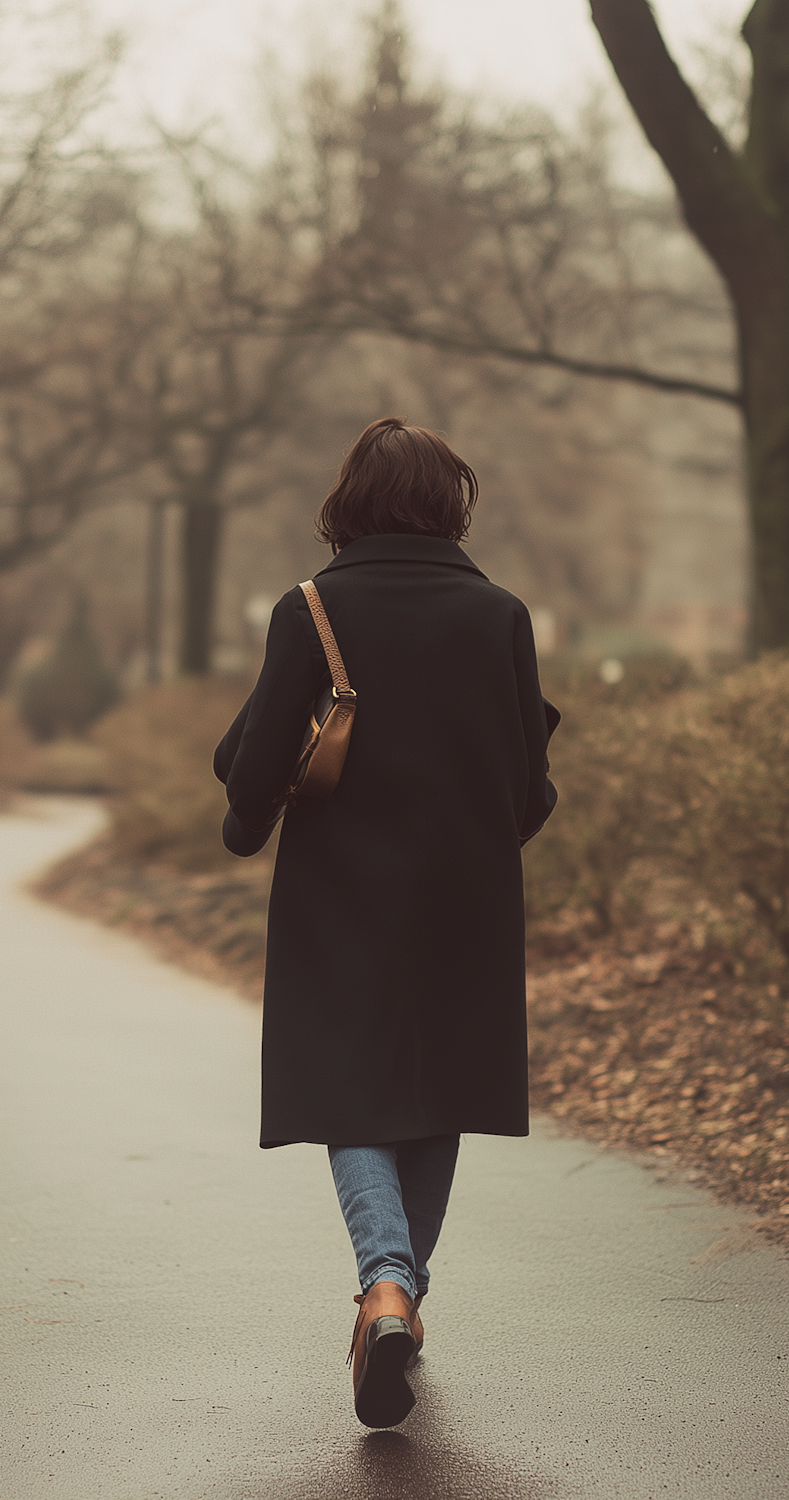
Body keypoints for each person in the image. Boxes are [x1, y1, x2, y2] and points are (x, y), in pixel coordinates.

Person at [213, 416, 559, 1429]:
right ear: (451, 504)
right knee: (436, 1089)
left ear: (349, 503)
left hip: (341, 892)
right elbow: (529, 793)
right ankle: (397, 1299)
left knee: (354, 1091)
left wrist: (242, 816)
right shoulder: (501, 615)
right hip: (468, 894)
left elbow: (262, 764)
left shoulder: (311, 609)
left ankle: (386, 1287)